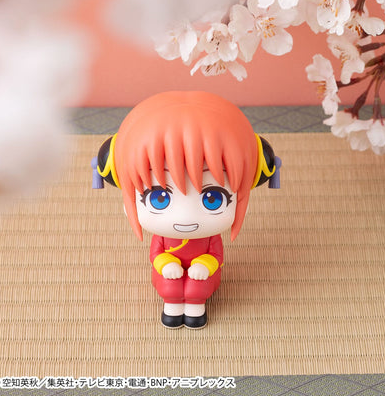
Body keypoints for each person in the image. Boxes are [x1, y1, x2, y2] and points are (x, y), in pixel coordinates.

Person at [92, 91, 280, 329]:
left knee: (197, 287)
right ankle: (172, 306)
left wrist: (205, 265)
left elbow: (216, 255)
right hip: (167, 272)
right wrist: (165, 264)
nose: (185, 217)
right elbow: (156, 254)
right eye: (159, 198)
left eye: (213, 198)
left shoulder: (210, 238)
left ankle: (195, 308)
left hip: (203, 274)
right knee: (169, 285)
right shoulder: (163, 237)